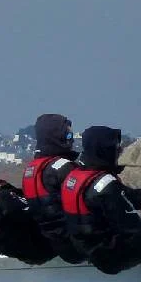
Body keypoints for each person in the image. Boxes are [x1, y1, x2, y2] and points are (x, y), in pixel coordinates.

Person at [61, 125, 141, 274]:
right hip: (110, 260)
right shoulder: (106, 186)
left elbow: (131, 196)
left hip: (86, 251)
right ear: (104, 150)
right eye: (116, 147)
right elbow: (132, 227)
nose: (121, 150)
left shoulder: (74, 177)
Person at [21, 113, 86, 263]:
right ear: (57, 137)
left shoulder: (30, 170)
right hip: (75, 247)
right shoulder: (65, 169)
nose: (72, 140)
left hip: (49, 244)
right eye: (69, 135)